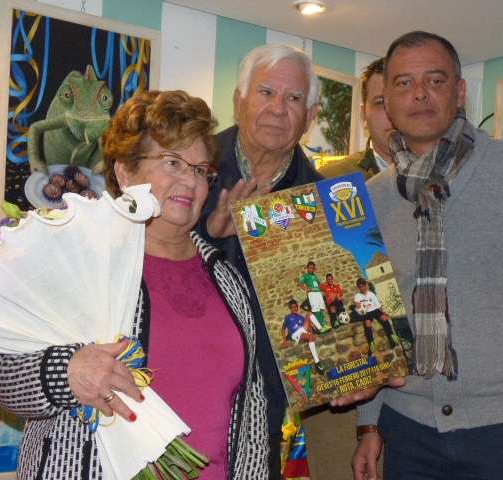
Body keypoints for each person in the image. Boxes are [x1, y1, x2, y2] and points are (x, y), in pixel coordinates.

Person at [0, 90, 269, 479]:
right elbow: (2, 375)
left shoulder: (227, 280)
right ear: (124, 172)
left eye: (201, 170)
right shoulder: (77, 260)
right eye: (172, 162)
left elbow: (252, 412)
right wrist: (66, 372)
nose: (190, 181)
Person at [349, 31, 503, 480]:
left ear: (459, 91)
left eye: (435, 80)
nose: (419, 93)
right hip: (409, 434)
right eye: (403, 83)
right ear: (387, 100)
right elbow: (377, 318)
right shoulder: (371, 199)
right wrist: (370, 423)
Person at [196, 44, 322, 477]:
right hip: (175, 382)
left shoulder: (320, 202)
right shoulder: (189, 167)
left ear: (310, 115)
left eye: (294, 98)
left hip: (261, 406)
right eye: (266, 92)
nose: (277, 109)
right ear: (239, 100)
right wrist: (207, 235)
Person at [319, 58, 394, 179]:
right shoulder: (326, 179)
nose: (393, 114)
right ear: (364, 114)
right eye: (381, 102)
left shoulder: (429, 176)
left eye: (403, 102)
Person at [281, 299, 325, 374]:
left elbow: (308, 326)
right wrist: (285, 341)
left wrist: (311, 333)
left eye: (296, 306)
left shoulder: (301, 317)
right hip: (295, 334)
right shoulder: (288, 317)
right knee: (309, 336)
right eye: (292, 307)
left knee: (309, 314)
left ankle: (320, 328)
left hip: (303, 330)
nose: (294, 308)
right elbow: (283, 329)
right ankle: (317, 362)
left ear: (297, 307)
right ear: (290, 309)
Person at [297, 261, 331, 332]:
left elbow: (319, 284)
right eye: (310, 268)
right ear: (307, 268)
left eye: (313, 268)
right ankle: (320, 327)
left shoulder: (315, 276)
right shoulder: (305, 276)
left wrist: (322, 291)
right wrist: (306, 289)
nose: (311, 269)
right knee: (316, 309)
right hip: (312, 294)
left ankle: (323, 324)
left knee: (321, 309)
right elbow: (300, 282)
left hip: (318, 293)